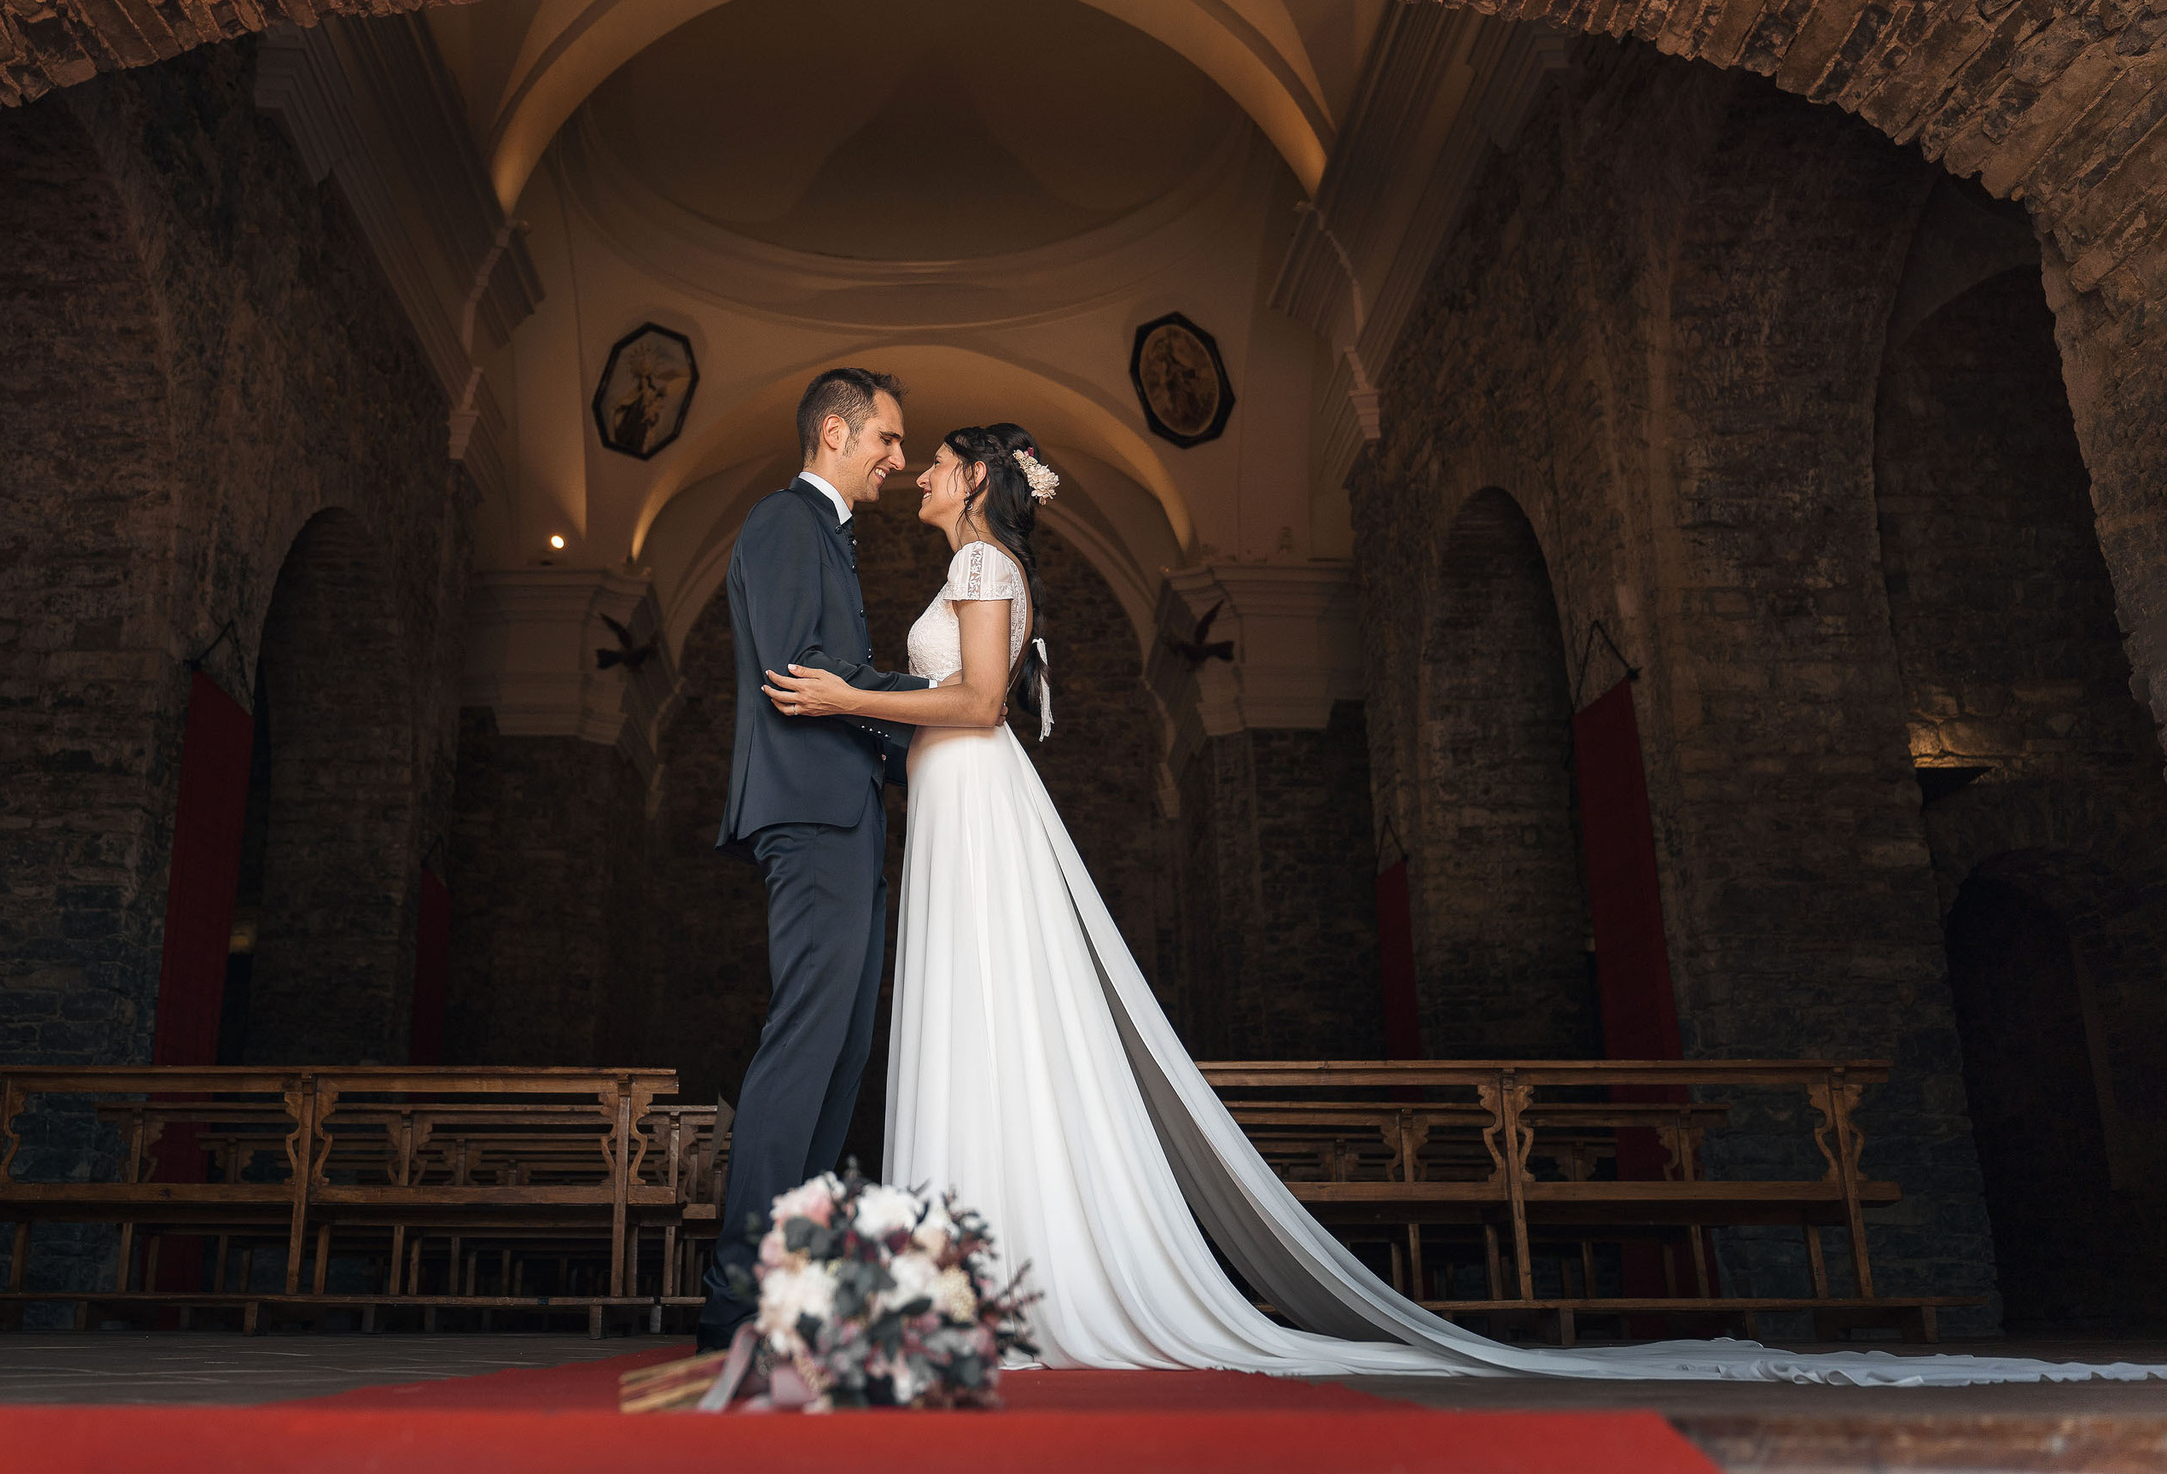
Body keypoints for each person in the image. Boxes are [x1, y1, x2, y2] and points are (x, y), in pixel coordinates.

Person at [759, 420, 2167, 1387]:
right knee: (965, 1020)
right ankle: (968, 1269)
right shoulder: (957, 565)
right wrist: (880, 715)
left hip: (976, 794)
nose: (921, 465)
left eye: (936, 457)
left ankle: (1042, 1271)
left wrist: (849, 695)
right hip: (942, 803)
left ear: (983, 484)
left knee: (1002, 1014)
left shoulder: (986, 567)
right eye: (916, 453)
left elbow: (987, 699)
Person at [698, 366, 935, 1353]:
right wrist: (935, 712)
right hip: (810, 817)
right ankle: (738, 1291)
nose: (897, 457)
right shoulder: (782, 523)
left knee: (840, 1058)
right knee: (804, 1046)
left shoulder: (824, 535)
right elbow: (800, 669)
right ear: (834, 431)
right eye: (885, 438)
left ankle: (794, 1282)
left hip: (846, 820)